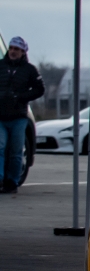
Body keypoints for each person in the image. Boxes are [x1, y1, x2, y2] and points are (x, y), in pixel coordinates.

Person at [0, 36, 44, 193]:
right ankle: (0, 178)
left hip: (19, 117)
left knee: (16, 151)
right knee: (0, 147)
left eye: (16, 49)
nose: (13, 51)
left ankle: (12, 181)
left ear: (23, 51)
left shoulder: (29, 70)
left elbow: (40, 89)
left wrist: (21, 97)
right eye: (11, 48)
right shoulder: (1, 66)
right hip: (1, 116)